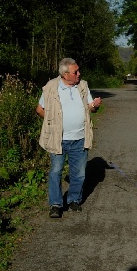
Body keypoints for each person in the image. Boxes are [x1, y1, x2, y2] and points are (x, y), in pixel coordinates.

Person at [36, 57, 102, 218]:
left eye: (78, 70)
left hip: (80, 138)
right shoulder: (51, 87)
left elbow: (90, 108)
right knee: (56, 171)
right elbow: (39, 109)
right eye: (75, 71)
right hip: (58, 139)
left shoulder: (83, 85)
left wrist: (94, 106)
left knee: (79, 173)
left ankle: (74, 200)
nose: (79, 74)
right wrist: (54, 124)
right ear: (65, 74)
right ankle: (56, 204)